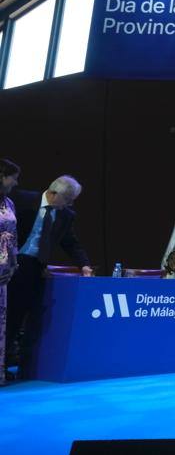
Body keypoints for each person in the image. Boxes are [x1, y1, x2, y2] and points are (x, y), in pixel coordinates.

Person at [7, 174, 91, 378]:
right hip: (12, 264)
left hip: (35, 268)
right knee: (10, 317)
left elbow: (71, 243)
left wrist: (85, 265)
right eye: (68, 199)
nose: (70, 204)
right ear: (53, 193)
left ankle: (26, 367)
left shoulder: (66, 215)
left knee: (32, 319)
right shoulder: (21, 200)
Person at [0, 159, 21, 386]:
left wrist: (13, 264)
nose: (16, 182)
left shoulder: (9, 203)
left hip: (4, 273)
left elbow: (13, 235)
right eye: (13, 177)